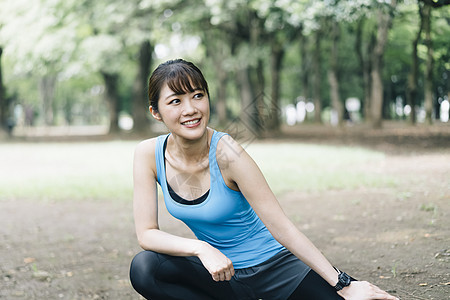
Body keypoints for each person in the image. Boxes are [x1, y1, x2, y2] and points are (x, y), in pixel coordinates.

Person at [129, 58, 399, 300]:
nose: (191, 109)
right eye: (176, 101)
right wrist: (201, 248)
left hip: (279, 269)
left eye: (198, 96)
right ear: (156, 112)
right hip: (223, 274)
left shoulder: (228, 153)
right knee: (145, 268)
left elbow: (283, 227)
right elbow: (147, 234)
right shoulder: (148, 155)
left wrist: (342, 283)